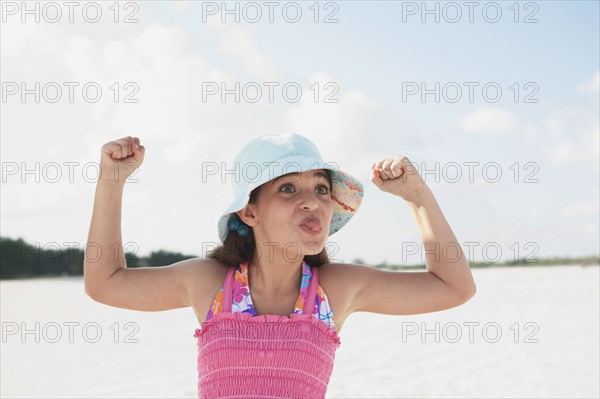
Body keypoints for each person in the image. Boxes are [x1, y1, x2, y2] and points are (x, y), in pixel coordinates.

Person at [84, 132, 477, 399]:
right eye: (288, 188)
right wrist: (112, 180)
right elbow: (106, 282)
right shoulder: (209, 283)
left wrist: (417, 196)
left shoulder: (334, 290)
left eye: (321, 189)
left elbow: (454, 287)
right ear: (250, 210)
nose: (313, 201)